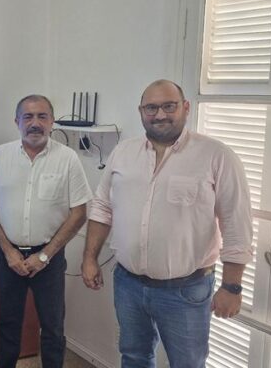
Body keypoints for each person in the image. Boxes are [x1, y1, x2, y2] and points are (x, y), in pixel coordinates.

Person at [81, 79, 253, 367]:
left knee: (187, 363)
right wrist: (89, 258)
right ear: (141, 111)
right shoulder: (123, 153)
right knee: (133, 356)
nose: (159, 114)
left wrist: (232, 286)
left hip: (186, 290)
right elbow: (102, 206)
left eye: (168, 106)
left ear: (185, 107)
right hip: (128, 284)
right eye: (151, 108)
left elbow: (236, 223)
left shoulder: (216, 155)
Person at [0, 94, 92, 368]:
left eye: (42, 116)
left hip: (49, 259)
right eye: (28, 116)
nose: (35, 123)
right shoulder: (1, 155)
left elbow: (79, 212)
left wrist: (45, 256)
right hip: (9, 257)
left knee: (53, 329)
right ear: (16, 121)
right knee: (8, 325)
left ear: (52, 121)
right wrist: (8, 252)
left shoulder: (68, 159)